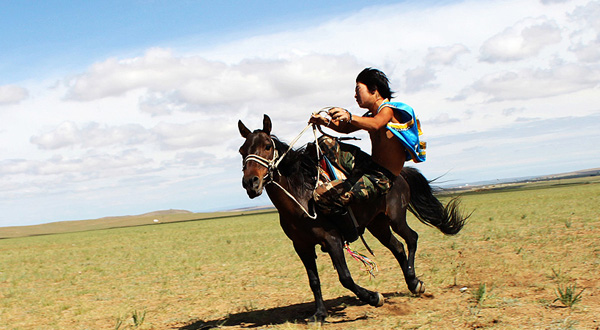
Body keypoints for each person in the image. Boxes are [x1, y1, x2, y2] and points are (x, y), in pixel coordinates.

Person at [309, 68, 426, 239]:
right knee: (323, 142)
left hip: (381, 177)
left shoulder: (388, 110)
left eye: (358, 90)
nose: (355, 96)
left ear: (374, 89)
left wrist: (349, 116)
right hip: (369, 166)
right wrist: (325, 121)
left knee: (321, 196)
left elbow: (376, 124)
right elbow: (347, 128)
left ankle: (349, 233)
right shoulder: (371, 114)